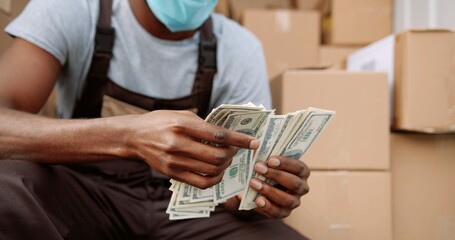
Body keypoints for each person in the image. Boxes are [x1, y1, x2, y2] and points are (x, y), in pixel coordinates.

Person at [0, 0, 311, 239]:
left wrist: (256, 191)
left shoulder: (239, 49)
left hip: (187, 208)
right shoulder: (76, 9)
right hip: (86, 192)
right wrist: (127, 137)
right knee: (8, 188)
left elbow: (235, 186)